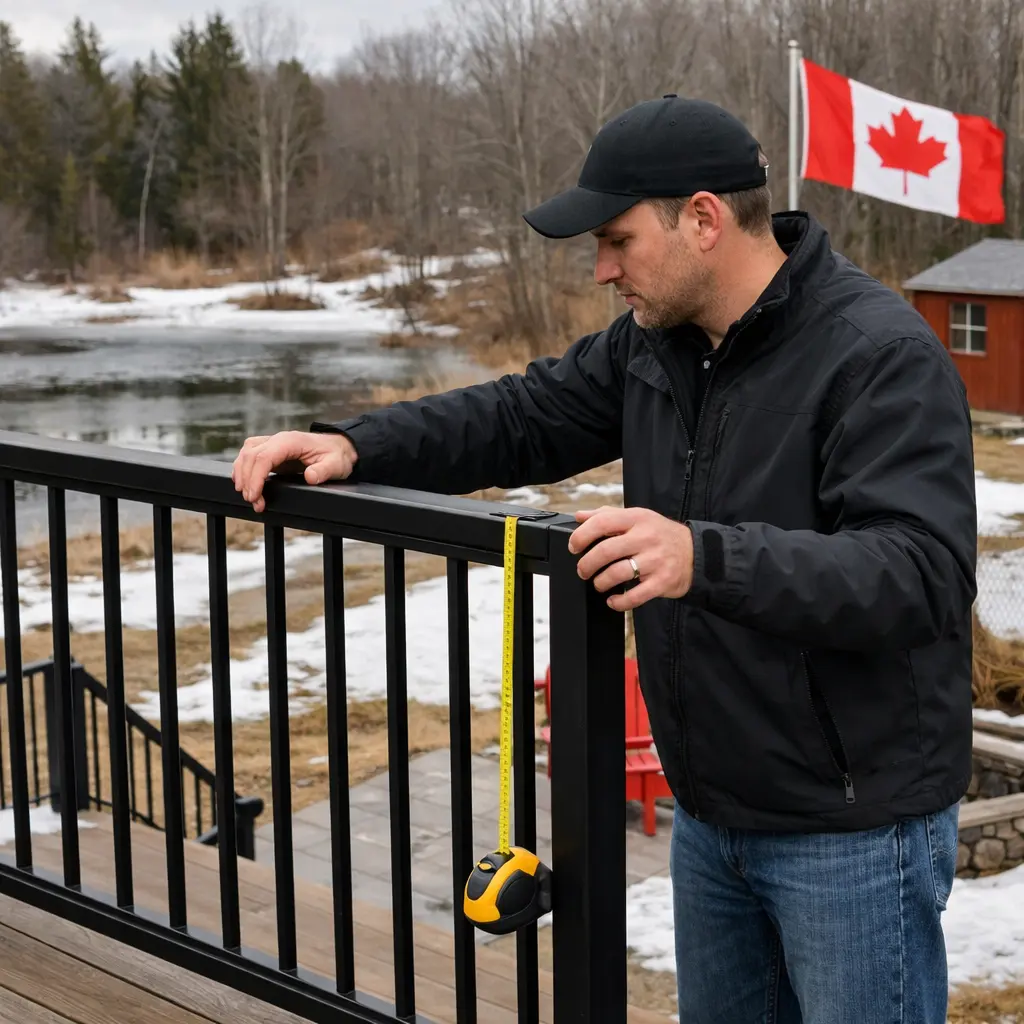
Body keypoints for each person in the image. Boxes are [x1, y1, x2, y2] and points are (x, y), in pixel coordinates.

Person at [232, 95, 977, 1022]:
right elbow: (522, 415)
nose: (601, 268)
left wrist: (703, 556)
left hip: (855, 830)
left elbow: (921, 573)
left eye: (618, 240)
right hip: (711, 817)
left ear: (702, 219)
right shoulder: (655, 347)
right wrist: (358, 444)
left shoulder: (879, 355)